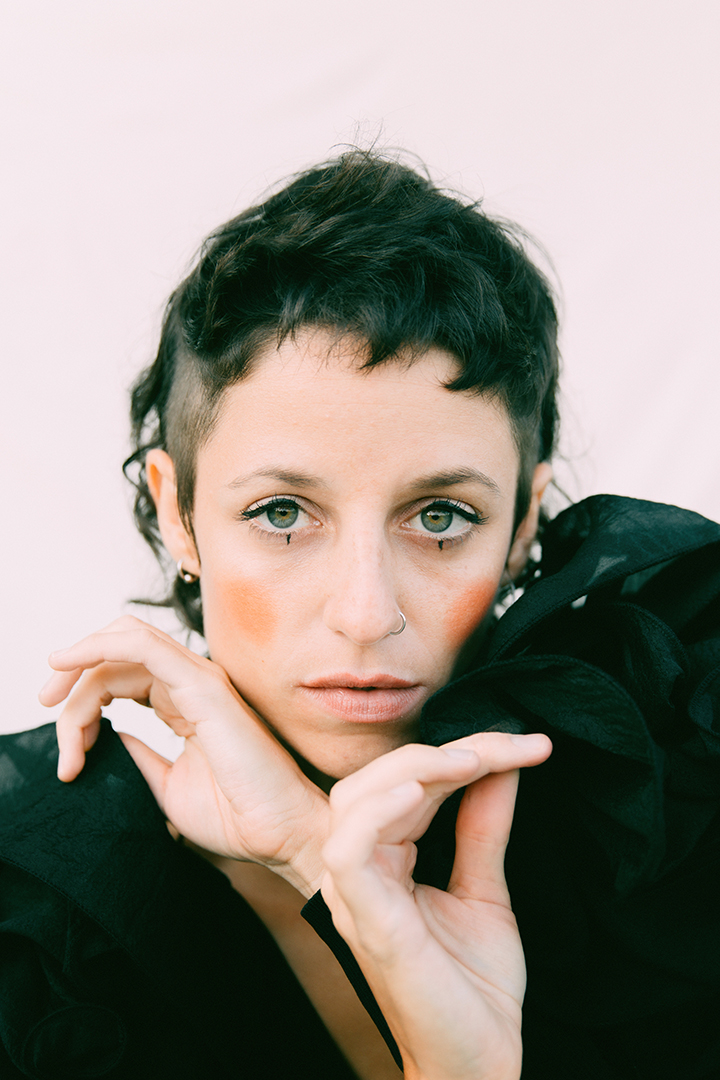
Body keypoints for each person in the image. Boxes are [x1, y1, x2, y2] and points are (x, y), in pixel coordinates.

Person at [1, 151, 718, 1080]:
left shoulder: (660, 837)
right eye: (282, 513)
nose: (366, 614)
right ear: (178, 513)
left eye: (441, 518)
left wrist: (320, 864)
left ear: (522, 524)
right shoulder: (32, 921)